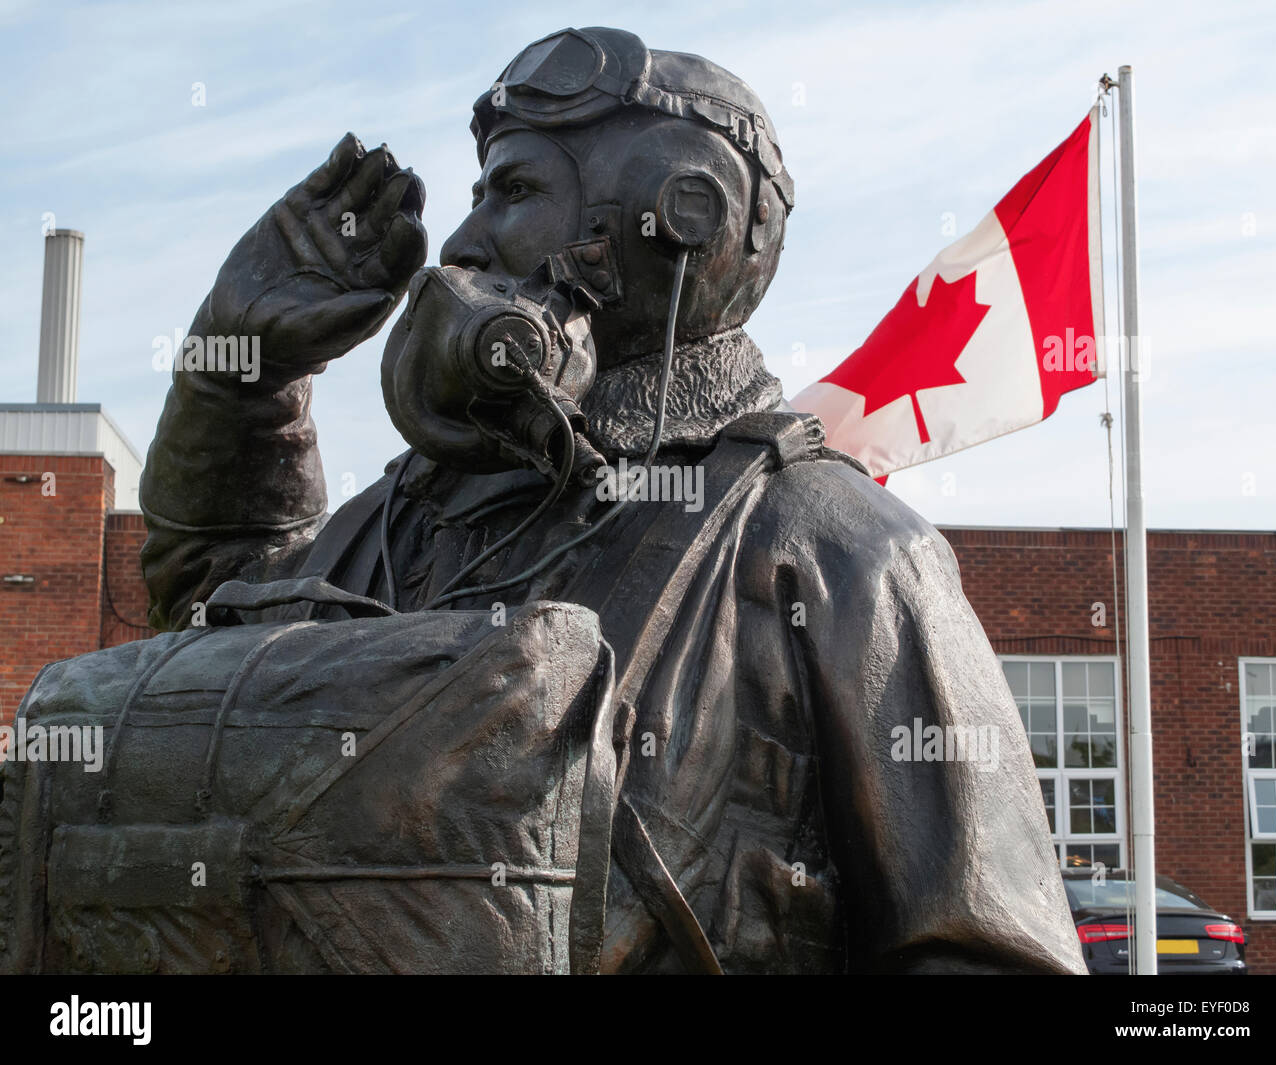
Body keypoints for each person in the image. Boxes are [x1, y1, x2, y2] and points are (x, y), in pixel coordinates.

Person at [139, 26, 1086, 974]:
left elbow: (989, 949)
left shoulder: (837, 551)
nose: (464, 244)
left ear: (679, 218)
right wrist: (237, 385)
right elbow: (208, 641)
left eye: (514, 192)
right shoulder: (400, 521)